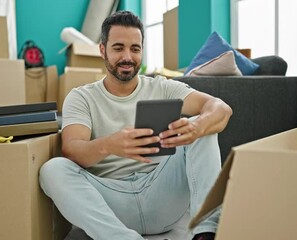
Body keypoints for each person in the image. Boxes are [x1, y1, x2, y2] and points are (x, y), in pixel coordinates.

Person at [40, 10, 232, 240]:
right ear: (103, 50)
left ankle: (206, 234)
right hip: (111, 204)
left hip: (162, 195)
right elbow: (71, 149)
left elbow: (220, 108)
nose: (127, 57)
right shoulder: (81, 97)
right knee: (52, 169)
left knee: (202, 127)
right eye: (118, 48)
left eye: (135, 48)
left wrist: (198, 126)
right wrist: (109, 145)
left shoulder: (163, 87)